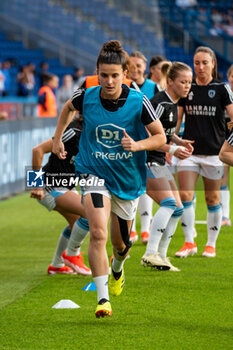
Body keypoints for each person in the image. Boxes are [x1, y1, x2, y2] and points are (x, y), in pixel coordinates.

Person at [52, 40, 166, 318]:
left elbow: (160, 137)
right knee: (98, 231)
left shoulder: (139, 102)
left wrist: (137, 146)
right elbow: (67, 108)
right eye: (104, 75)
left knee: (120, 246)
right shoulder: (86, 96)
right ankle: (103, 299)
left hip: (127, 179)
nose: (110, 81)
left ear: (125, 74)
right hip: (93, 172)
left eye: (115, 75)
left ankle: (117, 269)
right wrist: (57, 139)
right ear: (97, 73)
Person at [175, 46, 233, 258]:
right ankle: (189, 242)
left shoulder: (221, 88)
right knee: (186, 195)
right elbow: (178, 118)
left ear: (213, 63)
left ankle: (211, 244)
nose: (200, 67)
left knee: (212, 199)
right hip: (189, 151)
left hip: (215, 154)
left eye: (204, 63)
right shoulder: (187, 88)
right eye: (196, 63)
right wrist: (172, 144)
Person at [141, 62, 194, 271]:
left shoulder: (172, 103)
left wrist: (178, 141)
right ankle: (149, 254)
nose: (187, 86)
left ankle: (161, 256)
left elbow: (163, 131)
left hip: (159, 160)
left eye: (189, 82)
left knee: (178, 208)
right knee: (170, 203)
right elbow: (147, 135)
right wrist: (172, 150)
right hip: (147, 159)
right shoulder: (160, 102)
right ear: (170, 81)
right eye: (183, 82)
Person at [30, 117, 91, 276]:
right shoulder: (72, 132)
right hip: (49, 186)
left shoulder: (94, 134)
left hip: (66, 186)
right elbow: (37, 150)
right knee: (90, 213)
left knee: (75, 222)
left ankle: (56, 265)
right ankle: (72, 255)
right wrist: (35, 185)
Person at [129, 51, 160, 244]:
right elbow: (37, 151)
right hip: (127, 144)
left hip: (146, 144)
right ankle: (130, 228)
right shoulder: (121, 86)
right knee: (131, 184)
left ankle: (145, 229)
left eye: (138, 65)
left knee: (145, 185)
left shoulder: (153, 87)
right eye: (131, 65)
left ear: (145, 68)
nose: (135, 69)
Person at [220, 64, 233, 226]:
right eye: (232, 76)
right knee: (223, 178)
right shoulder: (223, 95)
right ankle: (225, 216)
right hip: (222, 139)